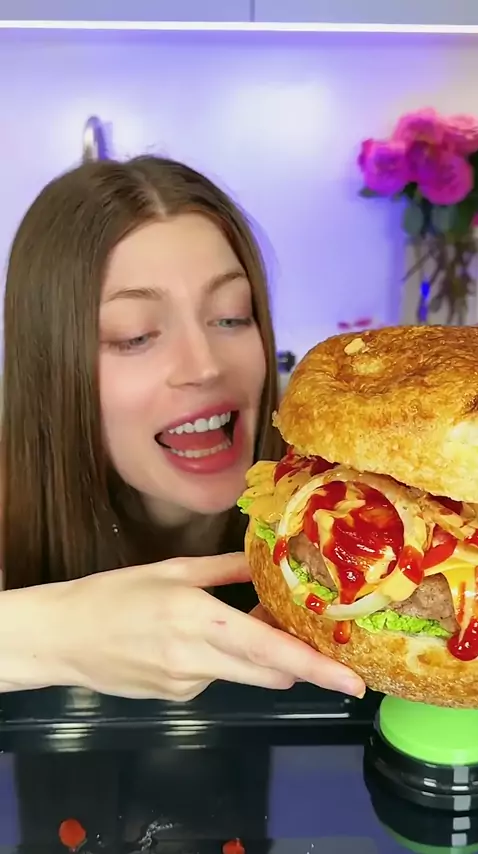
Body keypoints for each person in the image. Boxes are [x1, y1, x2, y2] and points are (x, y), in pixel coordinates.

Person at [0, 155, 366, 703]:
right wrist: (51, 634)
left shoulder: (347, 487)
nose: (204, 366)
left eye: (231, 316)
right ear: (51, 369)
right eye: (135, 336)